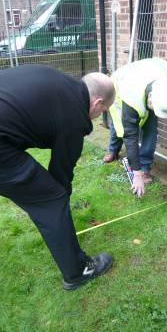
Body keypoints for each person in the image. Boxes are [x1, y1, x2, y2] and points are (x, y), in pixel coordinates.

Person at [0, 64, 115, 290]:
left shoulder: (56, 78)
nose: (98, 116)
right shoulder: (76, 116)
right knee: (51, 199)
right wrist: (60, 201)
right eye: (102, 112)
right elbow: (61, 174)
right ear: (97, 103)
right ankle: (78, 271)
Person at [103, 57, 167, 197]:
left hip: (146, 84)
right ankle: (113, 150)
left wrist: (141, 170)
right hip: (118, 87)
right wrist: (136, 173)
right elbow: (130, 135)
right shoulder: (131, 94)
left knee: (150, 129)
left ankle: (145, 166)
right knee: (120, 126)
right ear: (150, 96)